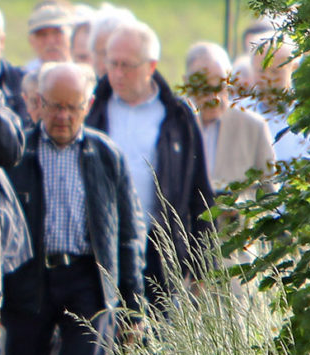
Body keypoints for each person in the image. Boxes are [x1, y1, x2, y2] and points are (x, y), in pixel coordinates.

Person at [5, 62, 144, 355]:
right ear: (37, 104)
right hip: (30, 277)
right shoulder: (18, 151)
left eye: (71, 107)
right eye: (53, 106)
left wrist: (133, 302)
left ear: (86, 105)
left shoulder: (106, 155)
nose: (62, 116)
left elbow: (129, 232)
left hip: (88, 280)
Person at [86, 20, 215, 301]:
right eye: (112, 64)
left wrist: (203, 267)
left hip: (160, 251)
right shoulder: (92, 112)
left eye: (127, 65)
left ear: (151, 67)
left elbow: (200, 193)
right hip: (101, 249)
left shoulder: (177, 118)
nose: (117, 74)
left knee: (158, 336)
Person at [187, 42, 275, 196]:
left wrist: (239, 208)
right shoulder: (176, 125)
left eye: (220, 87)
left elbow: (271, 196)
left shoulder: (253, 127)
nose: (215, 98)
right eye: (206, 89)